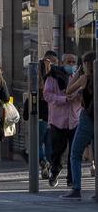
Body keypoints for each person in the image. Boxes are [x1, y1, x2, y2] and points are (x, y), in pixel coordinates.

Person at [62, 53, 94, 200]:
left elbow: (68, 90)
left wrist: (77, 74)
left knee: (75, 154)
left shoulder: (84, 78)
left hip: (87, 120)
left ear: (86, 64)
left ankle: (76, 189)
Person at [44, 54, 78, 189]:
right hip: (58, 120)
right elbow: (47, 95)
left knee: (74, 152)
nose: (71, 64)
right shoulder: (53, 77)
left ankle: (71, 179)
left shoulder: (77, 77)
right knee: (58, 150)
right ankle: (55, 171)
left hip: (74, 119)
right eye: (68, 62)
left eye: (73, 62)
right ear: (63, 63)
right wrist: (63, 99)